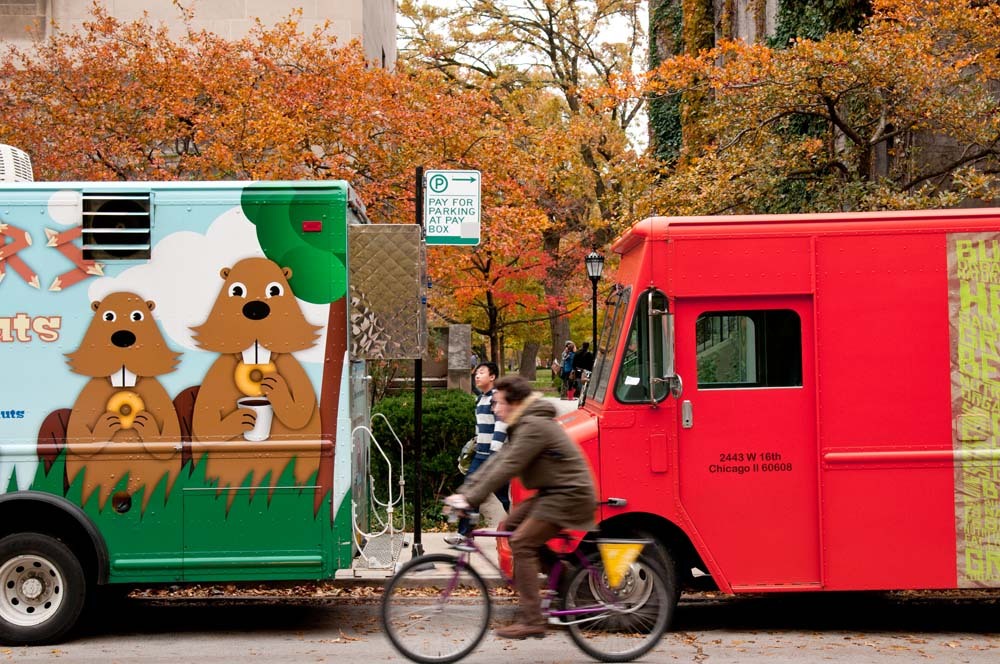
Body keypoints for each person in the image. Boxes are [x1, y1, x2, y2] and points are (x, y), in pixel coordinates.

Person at [446, 375, 597, 640]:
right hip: (553, 492)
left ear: (514, 402)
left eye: (498, 403)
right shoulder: (522, 424)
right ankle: (564, 578)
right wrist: (465, 494)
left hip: (569, 494)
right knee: (511, 525)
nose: (494, 409)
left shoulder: (533, 426)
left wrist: (471, 500)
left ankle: (532, 620)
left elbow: (508, 466)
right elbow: (497, 461)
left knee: (523, 542)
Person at [444, 362, 509, 544]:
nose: (477, 376)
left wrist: (494, 453)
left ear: (493, 376)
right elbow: (479, 429)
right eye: (476, 373)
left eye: (482, 372)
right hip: (481, 454)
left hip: (493, 455)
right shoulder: (480, 400)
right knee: (472, 490)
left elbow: (501, 425)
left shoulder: (497, 397)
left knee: (504, 495)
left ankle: (524, 526)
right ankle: (464, 533)